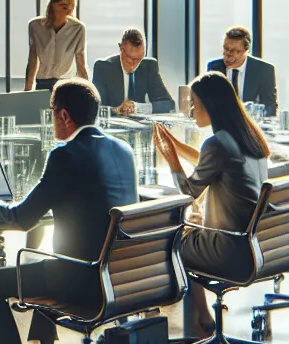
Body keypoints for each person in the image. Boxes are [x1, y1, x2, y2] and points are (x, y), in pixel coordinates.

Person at [0, 79, 138, 344]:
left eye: (51, 113)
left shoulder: (64, 155)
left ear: (63, 115)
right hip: (124, 278)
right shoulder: (124, 150)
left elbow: (21, 219)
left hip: (81, 281)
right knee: (46, 263)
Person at [153, 72, 271, 327]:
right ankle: (202, 314)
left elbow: (187, 193)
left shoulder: (218, 144)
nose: (192, 109)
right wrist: (176, 144)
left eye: (195, 103)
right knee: (192, 225)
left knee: (170, 240)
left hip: (230, 250)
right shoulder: (248, 137)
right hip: (257, 244)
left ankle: (191, 317)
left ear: (211, 105)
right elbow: (211, 161)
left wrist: (171, 158)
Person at [91, 28, 175, 115]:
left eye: (138, 59)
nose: (133, 64)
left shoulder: (149, 66)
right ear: (121, 48)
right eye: (129, 58)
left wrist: (138, 108)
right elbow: (96, 108)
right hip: (112, 126)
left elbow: (169, 105)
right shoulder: (103, 68)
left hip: (141, 127)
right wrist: (117, 110)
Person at [23, 0, 88, 90]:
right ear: (52, 5)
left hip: (66, 84)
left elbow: (81, 64)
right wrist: (27, 90)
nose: (69, 11)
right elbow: (33, 59)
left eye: (72, 6)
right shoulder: (35, 26)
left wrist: (88, 93)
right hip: (42, 83)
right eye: (64, 7)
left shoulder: (78, 28)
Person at [205, 26, 278, 115]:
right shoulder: (214, 67)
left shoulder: (264, 70)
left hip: (251, 124)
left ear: (246, 50)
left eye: (234, 51)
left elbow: (270, 107)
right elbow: (207, 102)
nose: (228, 55)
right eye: (226, 49)